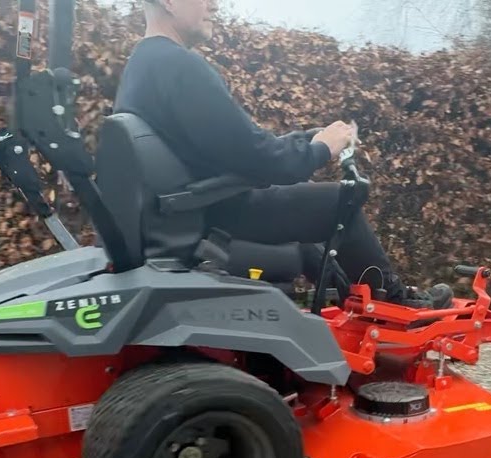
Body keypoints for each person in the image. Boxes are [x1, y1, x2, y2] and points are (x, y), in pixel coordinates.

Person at [112, 0, 453, 310]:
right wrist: (320, 149)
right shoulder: (179, 66)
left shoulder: (143, 65)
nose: (215, 5)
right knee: (340, 201)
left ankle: (351, 304)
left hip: (184, 215)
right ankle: (393, 303)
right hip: (211, 217)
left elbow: (230, 148)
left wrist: (305, 141)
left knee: (307, 225)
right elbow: (259, 157)